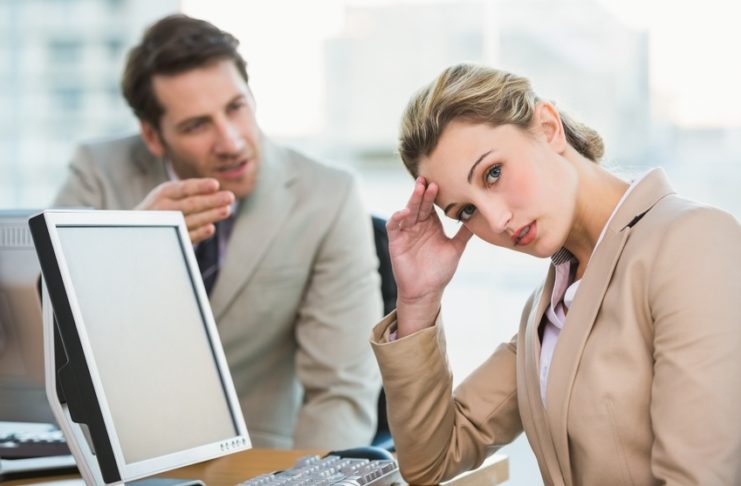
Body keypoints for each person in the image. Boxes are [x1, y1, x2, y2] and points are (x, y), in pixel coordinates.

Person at [371, 63, 741, 485]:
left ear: (548, 127)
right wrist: (418, 301)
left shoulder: (690, 241)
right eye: (466, 211)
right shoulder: (542, 315)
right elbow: (430, 461)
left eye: (493, 173)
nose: (497, 219)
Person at [54, 14, 383, 450]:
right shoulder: (97, 172)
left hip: (258, 459)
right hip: (114, 453)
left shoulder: (328, 197)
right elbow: (49, 335)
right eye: (197, 125)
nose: (230, 141)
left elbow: (341, 391)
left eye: (235, 107)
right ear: (154, 137)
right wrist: (128, 249)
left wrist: (307, 480)